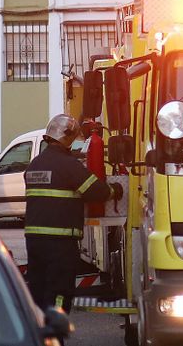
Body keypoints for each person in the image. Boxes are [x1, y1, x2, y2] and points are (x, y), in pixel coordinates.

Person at [24, 114, 114, 312]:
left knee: (38, 290)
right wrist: (116, 190)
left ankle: (38, 332)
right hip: (60, 243)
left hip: (34, 241)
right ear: (68, 138)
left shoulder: (34, 165)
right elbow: (97, 191)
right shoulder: (69, 166)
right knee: (58, 292)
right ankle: (55, 335)